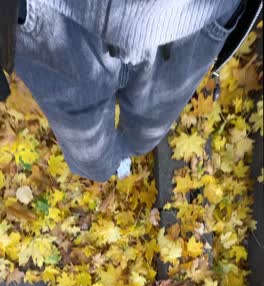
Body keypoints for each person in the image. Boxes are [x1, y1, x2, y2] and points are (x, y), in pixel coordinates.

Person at [1, 1, 262, 181]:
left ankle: (124, 155)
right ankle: (111, 166)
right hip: (53, 17)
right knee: (92, 163)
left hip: (188, 19)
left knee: (145, 136)